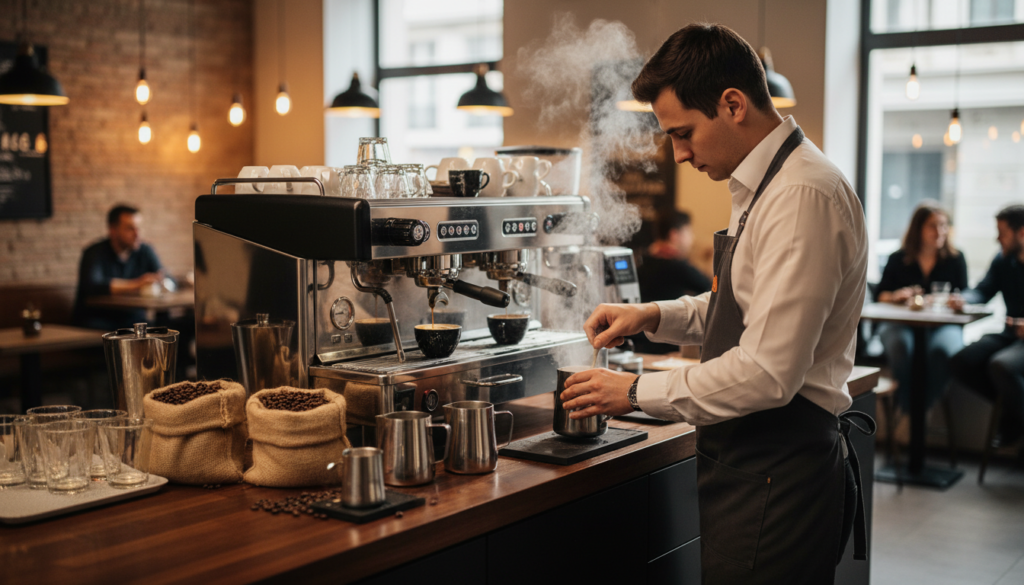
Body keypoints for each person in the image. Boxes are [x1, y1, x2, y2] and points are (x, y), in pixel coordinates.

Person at [558, 23, 870, 584]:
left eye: (683, 134)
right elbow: (744, 307)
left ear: (732, 104)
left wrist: (632, 392)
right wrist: (653, 315)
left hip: (781, 470)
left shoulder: (802, 195)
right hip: (752, 463)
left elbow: (768, 371)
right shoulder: (764, 186)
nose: (677, 155)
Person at [875, 201, 967, 413]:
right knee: (901, 347)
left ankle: (920, 409)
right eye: (933, 225)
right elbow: (881, 294)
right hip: (901, 324)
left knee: (943, 352)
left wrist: (954, 300)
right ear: (918, 228)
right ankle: (908, 407)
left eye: (944, 225)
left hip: (943, 325)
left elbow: (964, 294)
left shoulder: (955, 259)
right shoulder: (898, 258)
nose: (940, 231)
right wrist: (897, 295)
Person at [949, 204, 1024, 446]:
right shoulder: (1003, 260)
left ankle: (1014, 417)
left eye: (1002, 232)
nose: (997, 238)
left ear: (1021, 233)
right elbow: (982, 290)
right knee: (961, 361)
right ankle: (1015, 410)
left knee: (1001, 365)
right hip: (1011, 334)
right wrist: (963, 299)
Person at [73, 205, 165, 331]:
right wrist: (137, 284)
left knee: (169, 327)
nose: (137, 234)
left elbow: (164, 276)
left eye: (138, 228)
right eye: (130, 229)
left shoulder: (145, 250)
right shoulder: (94, 253)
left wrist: (163, 281)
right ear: (113, 230)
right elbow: (93, 286)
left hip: (131, 319)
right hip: (98, 320)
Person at [633, 210, 711, 354]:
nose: (692, 238)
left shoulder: (642, 261)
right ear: (675, 235)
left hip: (640, 341)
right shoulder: (676, 266)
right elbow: (711, 289)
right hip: (665, 345)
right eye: (688, 232)